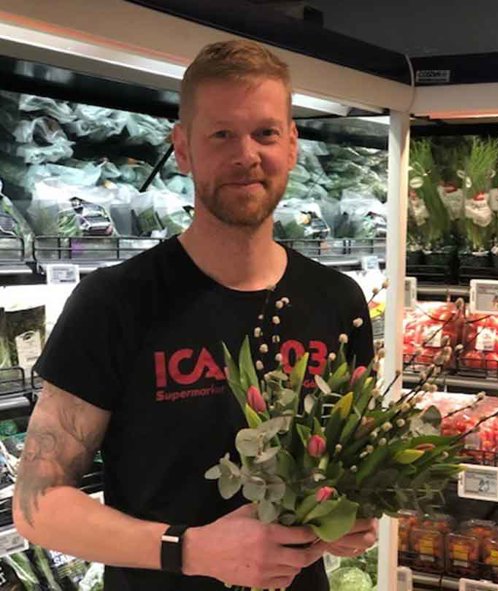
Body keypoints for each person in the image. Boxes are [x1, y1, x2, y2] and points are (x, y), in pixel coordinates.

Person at [13, 40, 379, 590]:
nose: (246, 155)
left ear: (292, 145)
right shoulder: (114, 302)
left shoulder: (339, 301)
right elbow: (37, 504)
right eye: (221, 134)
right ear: (183, 149)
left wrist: (350, 513)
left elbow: (345, 466)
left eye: (265, 133)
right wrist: (189, 551)